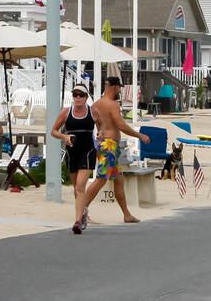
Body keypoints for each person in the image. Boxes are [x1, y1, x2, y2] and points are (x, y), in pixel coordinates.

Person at [72, 76, 151, 233]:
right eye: (120, 88)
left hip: (103, 145)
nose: (120, 91)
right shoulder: (112, 104)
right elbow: (120, 125)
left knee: (119, 181)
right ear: (115, 87)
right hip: (109, 146)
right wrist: (140, 135)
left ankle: (126, 215)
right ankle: (82, 213)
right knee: (101, 180)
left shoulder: (96, 104)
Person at [51, 83, 98, 230]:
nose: (78, 98)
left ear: (86, 97)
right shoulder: (66, 112)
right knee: (76, 188)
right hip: (72, 152)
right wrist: (64, 137)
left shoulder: (93, 112)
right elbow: (53, 131)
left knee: (80, 186)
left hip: (88, 151)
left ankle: (77, 222)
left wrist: (102, 135)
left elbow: (102, 127)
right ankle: (83, 212)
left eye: (81, 95)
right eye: (75, 95)